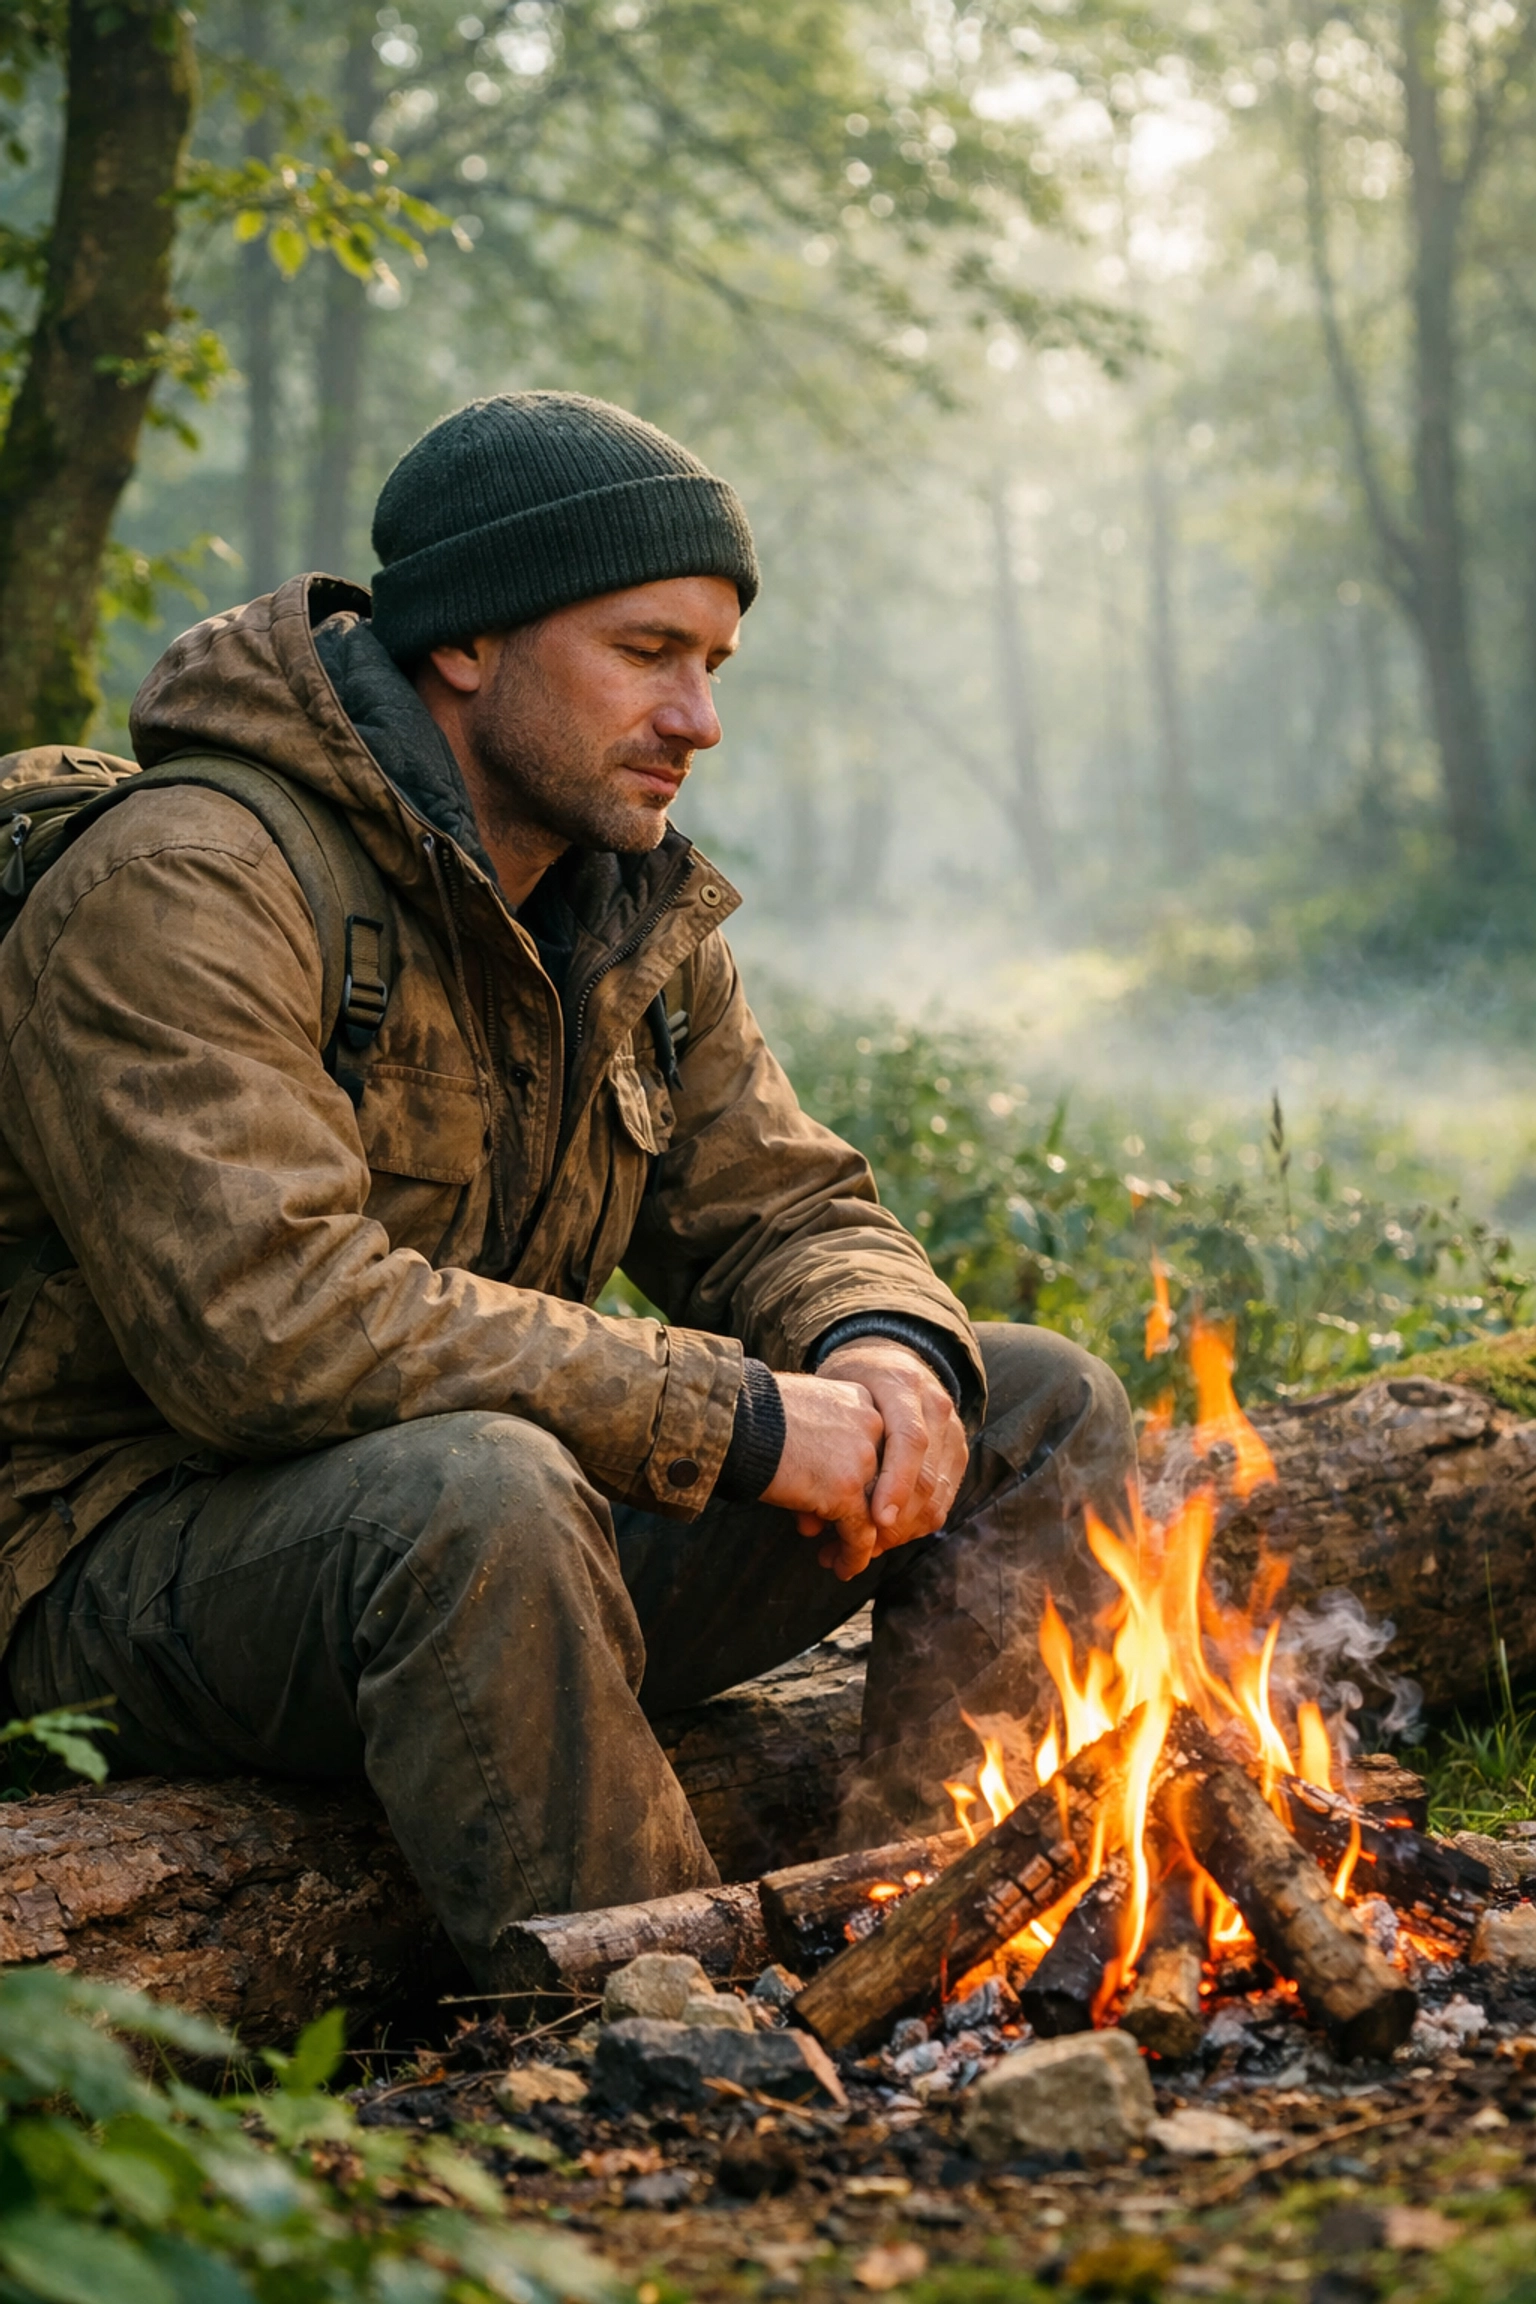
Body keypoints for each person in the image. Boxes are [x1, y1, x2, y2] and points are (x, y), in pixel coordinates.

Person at [0, 392, 1134, 1986]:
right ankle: (660, 2042)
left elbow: (790, 1205)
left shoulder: (621, 916)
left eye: (716, 667)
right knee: (482, 1493)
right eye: (647, 652)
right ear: (466, 642)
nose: (700, 721)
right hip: (113, 1557)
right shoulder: (188, 880)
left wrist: (881, 1349)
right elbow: (267, 1329)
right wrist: (738, 1418)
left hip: (477, 1523)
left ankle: (951, 1945)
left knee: (1030, 1405)